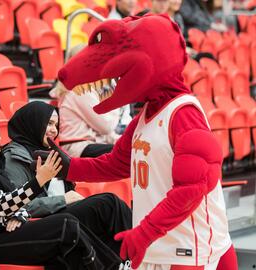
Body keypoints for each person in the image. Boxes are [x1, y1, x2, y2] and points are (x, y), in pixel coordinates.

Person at [36, 14, 238, 270]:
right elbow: (118, 163)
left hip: (190, 249)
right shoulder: (145, 115)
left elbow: (192, 189)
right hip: (159, 246)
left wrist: (144, 232)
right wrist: (71, 168)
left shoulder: (184, 114)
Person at [0, 112, 122, 270]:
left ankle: (120, 263)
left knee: (95, 209)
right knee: (65, 225)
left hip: (3, 234)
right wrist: (39, 181)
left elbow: (15, 206)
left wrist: (18, 215)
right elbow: (1, 205)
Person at [0, 101, 132, 259]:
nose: (54, 130)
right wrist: (63, 199)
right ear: (33, 123)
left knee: (110, 210)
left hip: (59, 214)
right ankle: (132, 258)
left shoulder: (47, 152)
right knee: (108, 204)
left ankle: (124, 260)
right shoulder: (13, 158)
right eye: (49, 124)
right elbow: (17, 205)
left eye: (56, 125)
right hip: (42, 223)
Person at [51, 44, 132, 158]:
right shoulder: (79, 91)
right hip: (79, 148)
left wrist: (121, 140)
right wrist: (115, 96)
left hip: (89, 144)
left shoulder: (82, 88)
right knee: (128, 152)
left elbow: (104, 130)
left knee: (132, 147)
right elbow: (107, 126)